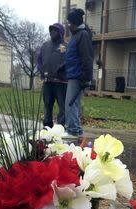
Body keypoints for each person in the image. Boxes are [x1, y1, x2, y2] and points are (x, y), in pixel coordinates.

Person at [65, 8, 94, 138]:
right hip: (73, 74)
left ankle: (73, 131)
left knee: (71, 104)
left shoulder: (82, 35)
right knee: (73, 103)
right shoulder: (76, 35)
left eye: (69, 23)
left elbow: (86, 57)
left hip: (78, 76)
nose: (68, 26)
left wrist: (86, 77)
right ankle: (76, 130)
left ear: (75, 23)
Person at [36, 23, 67, 128]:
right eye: (51, 30)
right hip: (47, 81)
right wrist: (41, 69)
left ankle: (61, 127)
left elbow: (68, 60)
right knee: (47, 104)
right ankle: (47, 127)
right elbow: (39, 60)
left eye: (55, 30)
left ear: (61, 32)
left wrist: (62, 69)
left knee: (62, 106)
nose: (52, 32)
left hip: (61, 82)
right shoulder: (45, 46)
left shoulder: (64, 46)